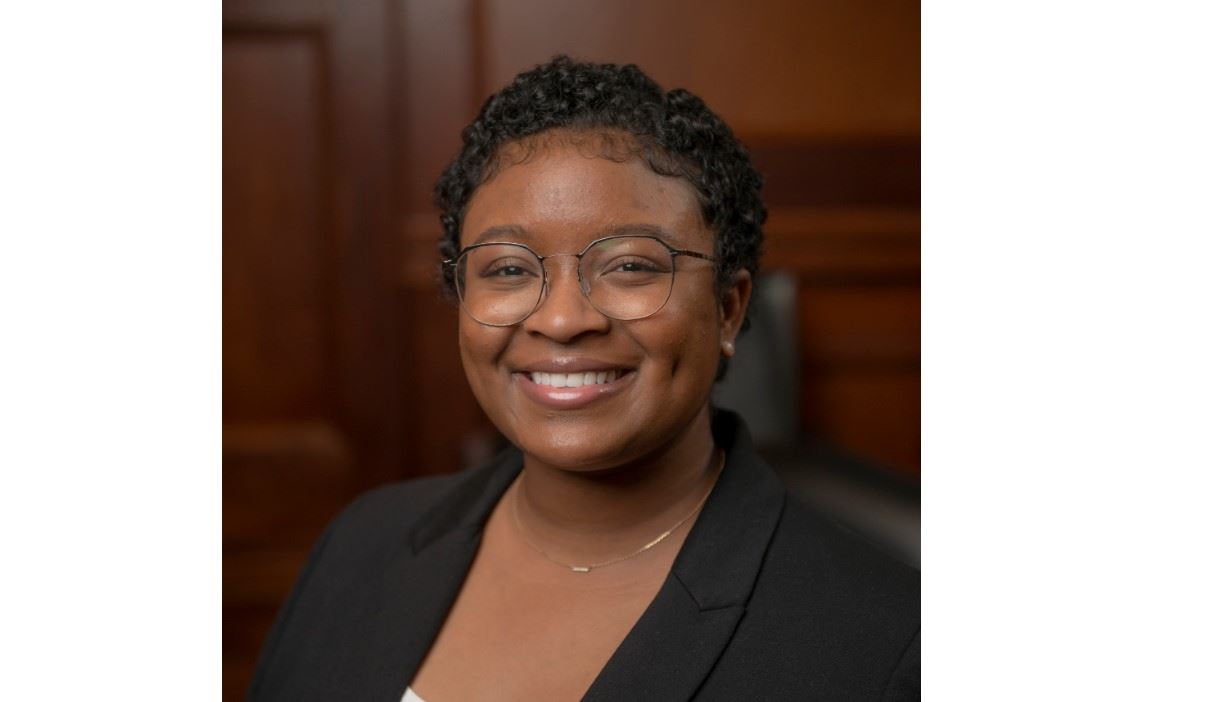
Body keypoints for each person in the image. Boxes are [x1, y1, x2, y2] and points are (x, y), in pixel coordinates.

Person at [249, 56, 919, 701]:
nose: (563, 319)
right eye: (508, 269)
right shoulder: (364, 543)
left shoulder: (889, 645)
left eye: (629, 265)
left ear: (727, 308)